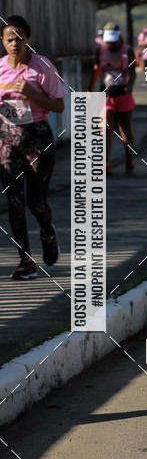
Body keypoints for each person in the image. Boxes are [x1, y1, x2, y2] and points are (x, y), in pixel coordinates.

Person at [0, 15, 67, 280]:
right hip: (7, 141)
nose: (14, 44)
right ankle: (25, 262)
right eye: (9, 39)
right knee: (14, 203)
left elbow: (59, 106)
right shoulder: (1, 68)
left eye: (19, 38)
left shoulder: (41, 68)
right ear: (3, 42)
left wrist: (32, 93)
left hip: (37, 140)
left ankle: (48, 234)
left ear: (28, 39)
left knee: (36, 202)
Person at [89, 23, 136, 176]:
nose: (111, 45)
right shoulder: (100, 51)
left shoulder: (127, 51)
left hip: (123, 94)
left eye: (113, 42)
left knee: (125, 129)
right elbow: (96, 70)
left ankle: (129, 161)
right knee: (106, 130)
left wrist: (129, 87)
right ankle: (106, 164)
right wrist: (90, 89)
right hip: (107, 94)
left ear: (119, 38)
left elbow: (132, 72)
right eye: (108, 42)